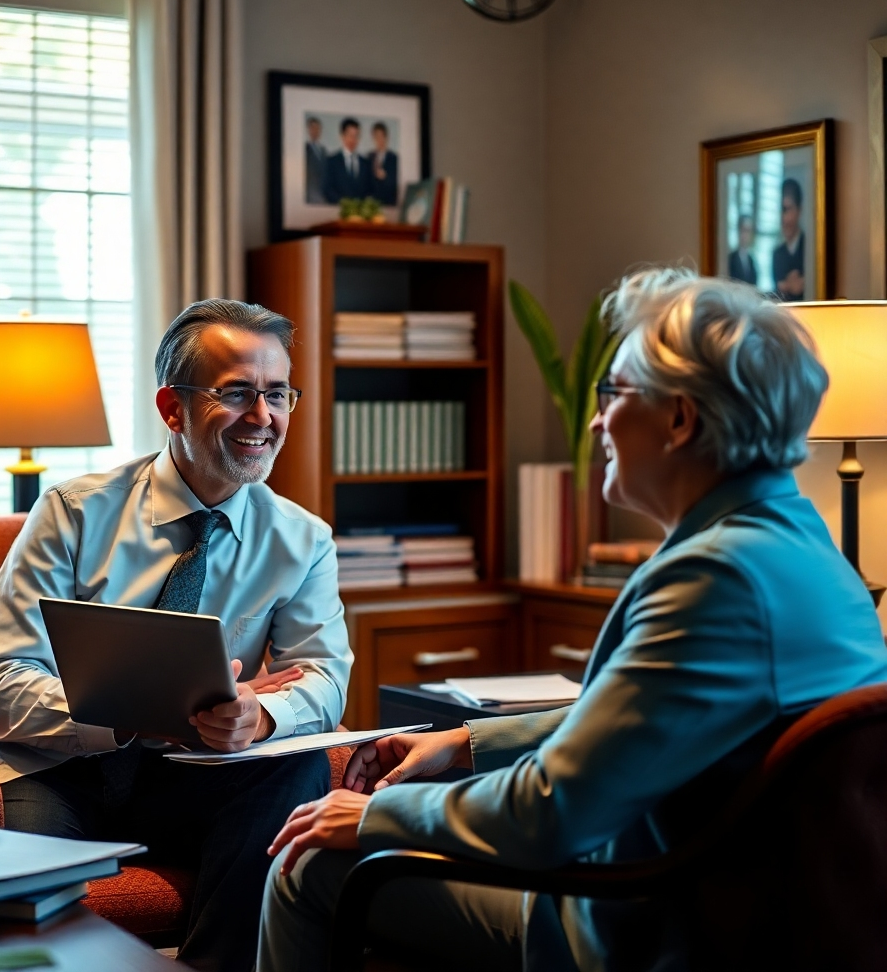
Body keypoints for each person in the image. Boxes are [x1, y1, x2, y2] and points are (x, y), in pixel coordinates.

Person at [256, 269, 887, 972]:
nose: (594, 422)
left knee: (304, 866)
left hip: (645, 924)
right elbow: (639, 722)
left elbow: (547, 814)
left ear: (679, 419)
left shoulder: (717, 580)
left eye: (611, 394)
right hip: (735, 901)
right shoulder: (799, 545)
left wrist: (372, 816)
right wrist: (464, 744)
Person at [0, 299, 353, 972]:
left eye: (277, 394)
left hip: (189, 776)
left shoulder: (303, 539)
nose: (263, 418)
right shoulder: (72, 513)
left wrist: (259, 715)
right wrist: (132, 714)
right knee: (41, 912)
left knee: (299, 769)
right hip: (55, 770)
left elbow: (322, 677)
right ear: (173, 408)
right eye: (237, 394)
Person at [322, 117, 371, 203]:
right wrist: (343, 203)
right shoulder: (332, 161)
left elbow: (370, 190)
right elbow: (327, 189)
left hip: (361, 214)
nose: (353, 140)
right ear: (342, 136)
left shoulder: (366, 163)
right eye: (350, 135)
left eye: (356, 136)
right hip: (337, 212)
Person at [773, 178, 805, 300]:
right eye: (781, 210)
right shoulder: (777, 254)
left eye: (787, 209)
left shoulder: (810, 250)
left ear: (799, 210)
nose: (783, 218)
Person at [367, 121, 398, 206]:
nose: (379, 140)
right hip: (372, 204)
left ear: (386, 137)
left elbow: (397, 183)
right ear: (373, 138)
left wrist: (385, 177)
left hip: (389, 204)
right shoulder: (369, 157)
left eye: (381, 136)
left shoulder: (394, 158)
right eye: (376, 137)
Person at [728, 213, 757, 284]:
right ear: (739, 231)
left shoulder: (751, 260)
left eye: (749, 231)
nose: (746, 235)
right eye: (744, 230)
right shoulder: (731, 258)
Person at [304, 116, 327, 204]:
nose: (315, 131)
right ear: (308, 130)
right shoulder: (304, 149)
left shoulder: (323, 150)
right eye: (313, 128)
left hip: (323, 194)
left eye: (317, 128)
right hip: (310, 194)